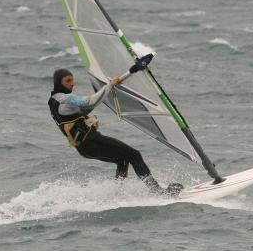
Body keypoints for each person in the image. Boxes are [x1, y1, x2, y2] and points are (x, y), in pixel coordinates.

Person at [48, 68, 182, 196]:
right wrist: (110, 85)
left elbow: (87, 108)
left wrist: (107, 89)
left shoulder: (54, 102)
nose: (72, 83)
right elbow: (90, 101)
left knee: (122, 159)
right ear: (59, 82)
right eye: (68, 81)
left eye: (72, 80)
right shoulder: (65, 99)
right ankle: (157, 191)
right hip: (92, 141)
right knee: (134, 155)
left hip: (84, 147)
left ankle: (118, 192)